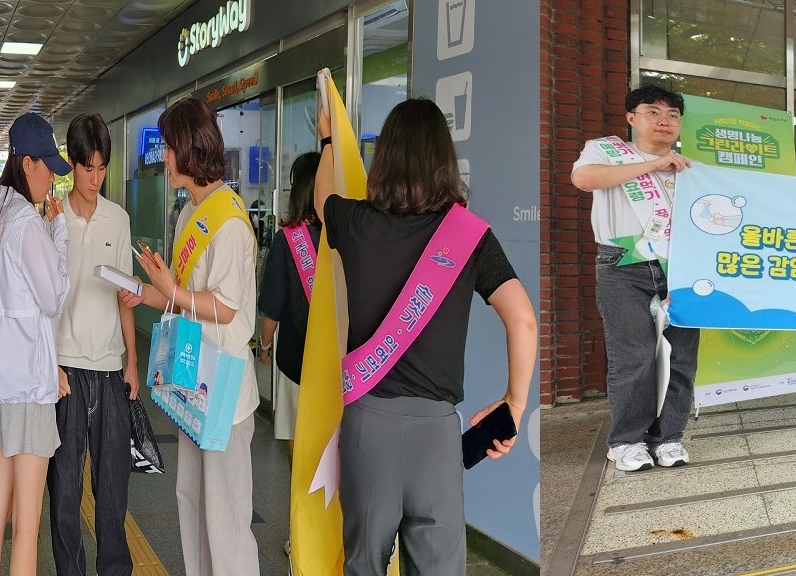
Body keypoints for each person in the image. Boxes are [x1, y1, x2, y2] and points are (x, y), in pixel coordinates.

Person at [316, 91, 534, 575]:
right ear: (444, 162)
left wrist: (330, 139)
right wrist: (513, 405)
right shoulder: (470, 235)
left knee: (362, 565)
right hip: (436, 435)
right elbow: (522, 318)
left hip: (366, 428)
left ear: (385, 159)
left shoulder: (355, 223)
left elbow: (321, 195)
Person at [118, 98, 260, 575]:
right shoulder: (188, 215)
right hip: (191, 378)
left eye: (170, 147)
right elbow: (182, 298)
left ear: (191, 150)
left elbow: (225, 307)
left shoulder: (231, 224)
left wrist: (171, 290)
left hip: (222, 387)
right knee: (191, 502)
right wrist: (146, 292)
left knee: (226, 517)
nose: (165, 157)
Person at [569, 85, 699, 472]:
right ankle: (627, 441)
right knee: (634, 357)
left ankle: (669, 438)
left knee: (682, 357)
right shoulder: (605, 151)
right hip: (622, 265)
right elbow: (584, 179)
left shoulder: (690, 170)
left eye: (673, 114)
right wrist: (651, 166)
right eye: (653, 111)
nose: (664, 120)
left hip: (680, 268)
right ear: (631, 118)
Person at [0, 113, 74, 576]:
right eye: (48, 166)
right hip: (28, 392)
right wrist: (61, 234)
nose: (52, 177)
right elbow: (52, 297)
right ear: (26, 162)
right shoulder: (26, 223)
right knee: (27, 524)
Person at [49, 114, 140, 576]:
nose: (95, 178)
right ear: (71, 164)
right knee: (64, 490)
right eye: (87, 168)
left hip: (108, 367)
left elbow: (125, 295)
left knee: (112, 488)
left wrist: (132, 362)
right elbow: (41, 303)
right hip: (64, 368)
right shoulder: (52, 220)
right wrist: (50, 364)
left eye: (102, 168)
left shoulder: (118, 219)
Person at [258, 152, 321, 441]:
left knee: (298, 441)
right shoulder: (347, 233)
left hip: (296, 361)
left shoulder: (288, 240)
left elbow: (274, 306)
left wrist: (264, 345)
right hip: (340, 367)